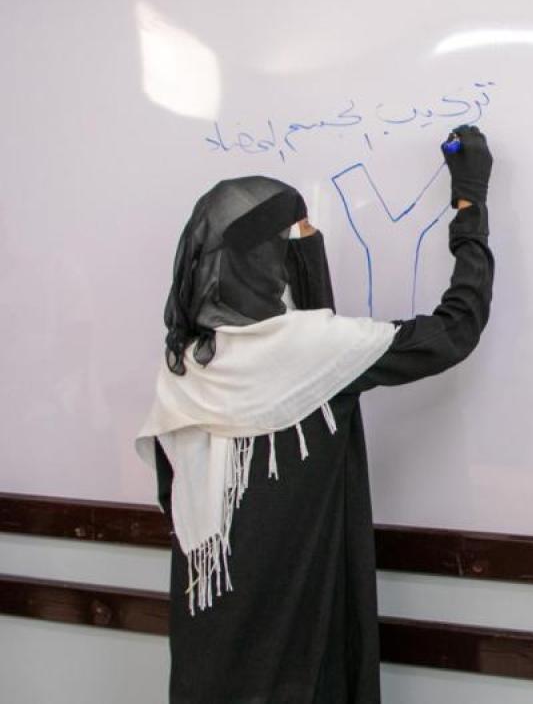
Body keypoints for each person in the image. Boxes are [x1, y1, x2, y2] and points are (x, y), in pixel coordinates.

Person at [135, 125, 494, 703]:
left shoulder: (185, 368)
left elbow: (172, 493)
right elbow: (456, 328)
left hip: (210, 649)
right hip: (293, 658)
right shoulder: (320, 357)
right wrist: (470, 201)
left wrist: (300, 250)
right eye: (294, 239)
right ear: (274, 260)